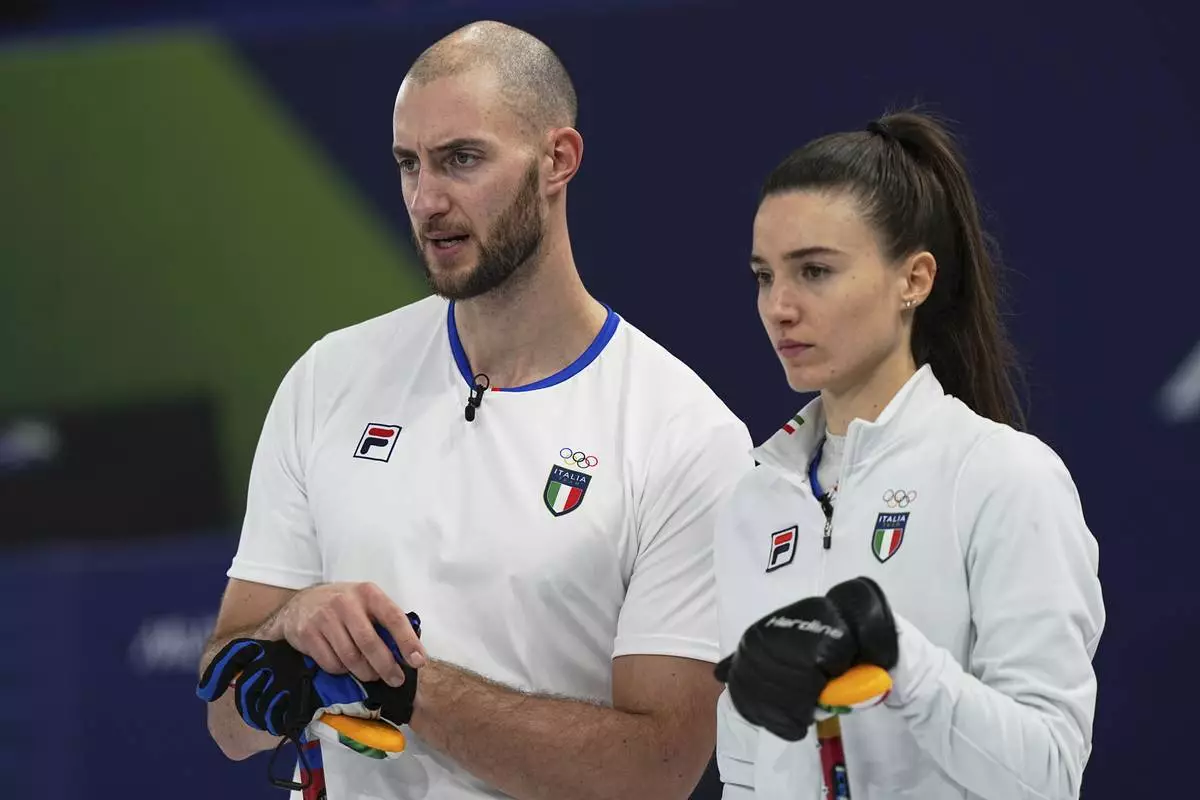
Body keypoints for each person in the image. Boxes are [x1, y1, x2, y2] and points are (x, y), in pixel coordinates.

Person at [197, 19, 754, 800]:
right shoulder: (329, 378)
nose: (427, 200)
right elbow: (228, 724)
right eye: (408, 164)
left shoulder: (686, 437)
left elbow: (656, 771)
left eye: (462, 159)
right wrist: (285, 633)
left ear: (558, 160)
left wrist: (404, 687)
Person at [711, 110, 1105, 799]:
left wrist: (898, 654)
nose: (779, 306)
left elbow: (1049, 775)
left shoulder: (1004, 476)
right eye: (763, 276)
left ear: (913, 280)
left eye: (814, 271)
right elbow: (745, 768)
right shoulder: (753, 496)